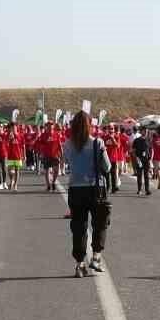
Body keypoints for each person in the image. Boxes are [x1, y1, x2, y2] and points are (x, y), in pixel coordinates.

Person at [62, 111, 111, 277]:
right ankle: (96, 257)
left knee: (78, 227)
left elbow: (67, 161)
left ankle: (79, 263)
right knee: (100, 224)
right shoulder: (98, 142)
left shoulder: (68, 144)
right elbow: (107, 167)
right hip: (95, 188)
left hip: (75, 188)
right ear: (90, 125)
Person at [131, 128, 152, 195]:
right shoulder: (136, 140)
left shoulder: (148, 140)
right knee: (139, 175)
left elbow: (151, 150)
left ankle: (147, 190)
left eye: (146, 131)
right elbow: (133, 151)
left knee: (146, 175)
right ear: (141, 132)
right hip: (139, 159)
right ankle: (139, 189)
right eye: (144, 131)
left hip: (146, 160)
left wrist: (150, 159)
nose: (146, 132)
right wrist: (136, 158)